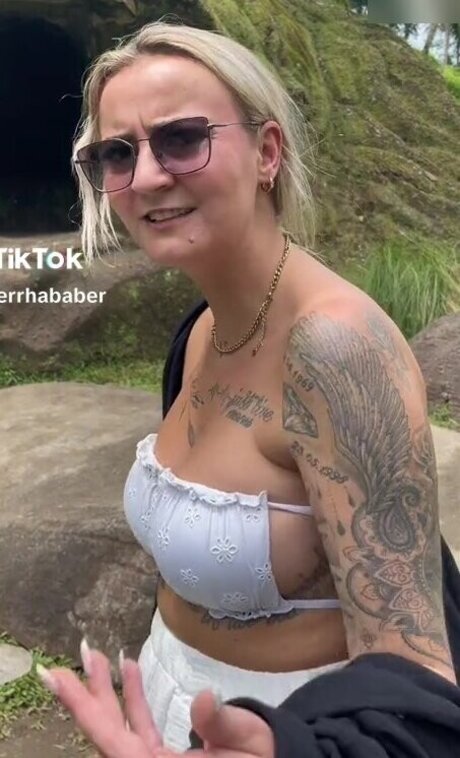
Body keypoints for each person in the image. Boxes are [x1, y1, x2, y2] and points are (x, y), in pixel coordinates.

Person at [37, 17, 460, 757]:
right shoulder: (203, 328)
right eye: (117, 153)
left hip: (289, 730)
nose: (146, 177)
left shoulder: (335, 351)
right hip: (168, 696)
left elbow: (415, 673)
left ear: (267, 152)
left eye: (181, 138)